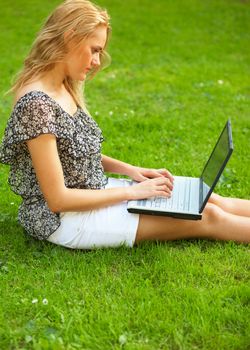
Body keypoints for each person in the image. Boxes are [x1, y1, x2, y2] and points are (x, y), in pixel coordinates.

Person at [0, 0, 249, 249]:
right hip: (66, 220)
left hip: (92, 192)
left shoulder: (62, 85)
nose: (97, 61)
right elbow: (58, 200)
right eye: (94, 49)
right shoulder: (36, 105)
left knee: (205, 199)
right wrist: (134, 192)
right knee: (208, 217)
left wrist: (132, 171)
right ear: (70, 38)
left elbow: (75, 154)